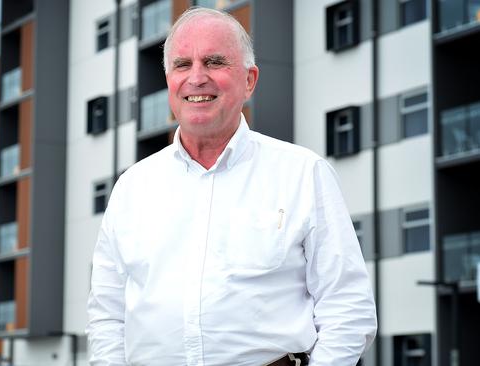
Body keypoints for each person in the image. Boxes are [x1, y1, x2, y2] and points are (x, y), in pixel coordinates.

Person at [86, 7, 377, 366]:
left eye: (214, 62)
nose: (197, 77)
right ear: (168, 81)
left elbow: (348, 307)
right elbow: (107, 313)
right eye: (182, 64)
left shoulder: (303, 174)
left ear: (250, 80)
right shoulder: (132, 188)